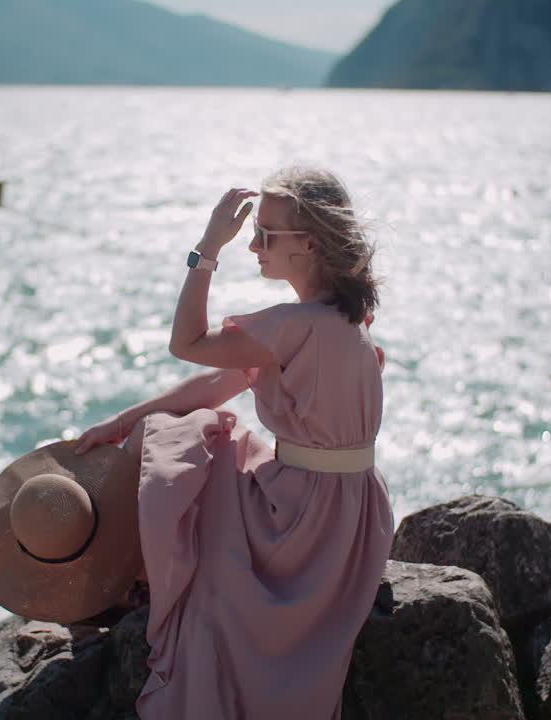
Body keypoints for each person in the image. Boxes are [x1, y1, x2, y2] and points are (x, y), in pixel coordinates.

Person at [73, 166, 394, 719]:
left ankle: (136, 581)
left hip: (299, 518)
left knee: (179, 441)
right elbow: (219, 383)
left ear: (309, 243)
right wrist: (125, 418)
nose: (252, 246)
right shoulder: (348, 318)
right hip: (357, 514)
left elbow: (187, 343)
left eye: (265, 235)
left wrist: (206, 248)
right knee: (186, 425)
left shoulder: (294, 323)